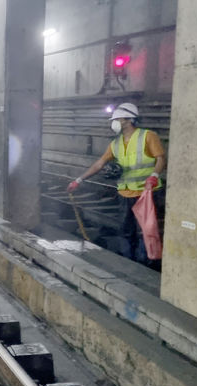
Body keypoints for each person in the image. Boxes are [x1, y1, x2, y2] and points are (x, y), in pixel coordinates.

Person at [67, 102, 166, 267]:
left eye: (117, 119)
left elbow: (161, 158)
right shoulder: (116, 143)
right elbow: (99, 164)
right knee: (126, 230)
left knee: (146, 231)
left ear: (128, 119)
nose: (114, 122)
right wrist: (79, 180)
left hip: (146, 193)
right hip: (125, 193)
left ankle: (148, 263)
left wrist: (154, 176)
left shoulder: (148, 136)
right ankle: (129, 260)